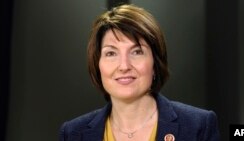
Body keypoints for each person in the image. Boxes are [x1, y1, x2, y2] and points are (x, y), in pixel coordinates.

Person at [59, 4, 220, 141]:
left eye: (136, 52)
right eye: (111, 53)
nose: (124, 66)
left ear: (155, 63)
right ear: (97, 65)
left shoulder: (198, 126)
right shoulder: (73, 133)